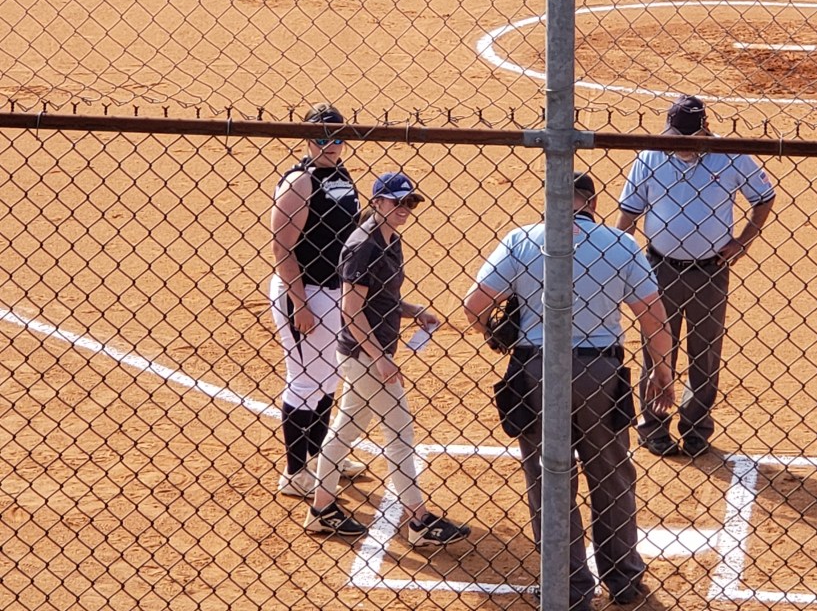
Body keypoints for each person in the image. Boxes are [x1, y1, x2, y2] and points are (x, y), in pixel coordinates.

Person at [464, 172, 675, 611]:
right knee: (611, 474)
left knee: (547, 478)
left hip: (535, 370)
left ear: (549, 200)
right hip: (601, 371)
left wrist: (493, 332)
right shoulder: (619, 244)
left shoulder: (522, 239)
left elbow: (474, 305)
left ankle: (568, 586)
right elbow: (652, 316)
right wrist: (663, 371)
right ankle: (623, 578)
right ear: (592, 204)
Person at [306, 172, 472, 547]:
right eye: (398, 202)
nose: (405, 209)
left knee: (346, 429)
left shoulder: (390, 240)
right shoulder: (363, 246)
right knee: (399, 434)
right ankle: (418, 520)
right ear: (377, 202)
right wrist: (380, 357)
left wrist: (414, 311)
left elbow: (381, 299)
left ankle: (321, 508)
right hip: (365, 357)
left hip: (368, 354)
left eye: (410, 202)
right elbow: (351, 310)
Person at [615, 95, 776, 458]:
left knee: (705, 354)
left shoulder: (730, 155)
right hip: (658, 269)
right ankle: (653, 427)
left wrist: (743, 241)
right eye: (676, 137)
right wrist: (618, 259)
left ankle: (695, 427)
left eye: (688, 138)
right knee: (657, 349)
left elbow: (764, 197)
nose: (682, 145)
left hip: (710, 271)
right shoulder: (651, 155)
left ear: (705, 128)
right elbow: (628, 215)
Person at [267, 102, 367, 533]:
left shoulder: (340, 174)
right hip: (306, 291)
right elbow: (282, 247)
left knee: (328, 380)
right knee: (305, 381)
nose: (331, 144)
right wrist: (300, 302)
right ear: (307, 139)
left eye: (338, 136)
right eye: (322, 137)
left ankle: (322, 459)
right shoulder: (300, 180)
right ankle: (295, 473)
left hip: (335, 291)